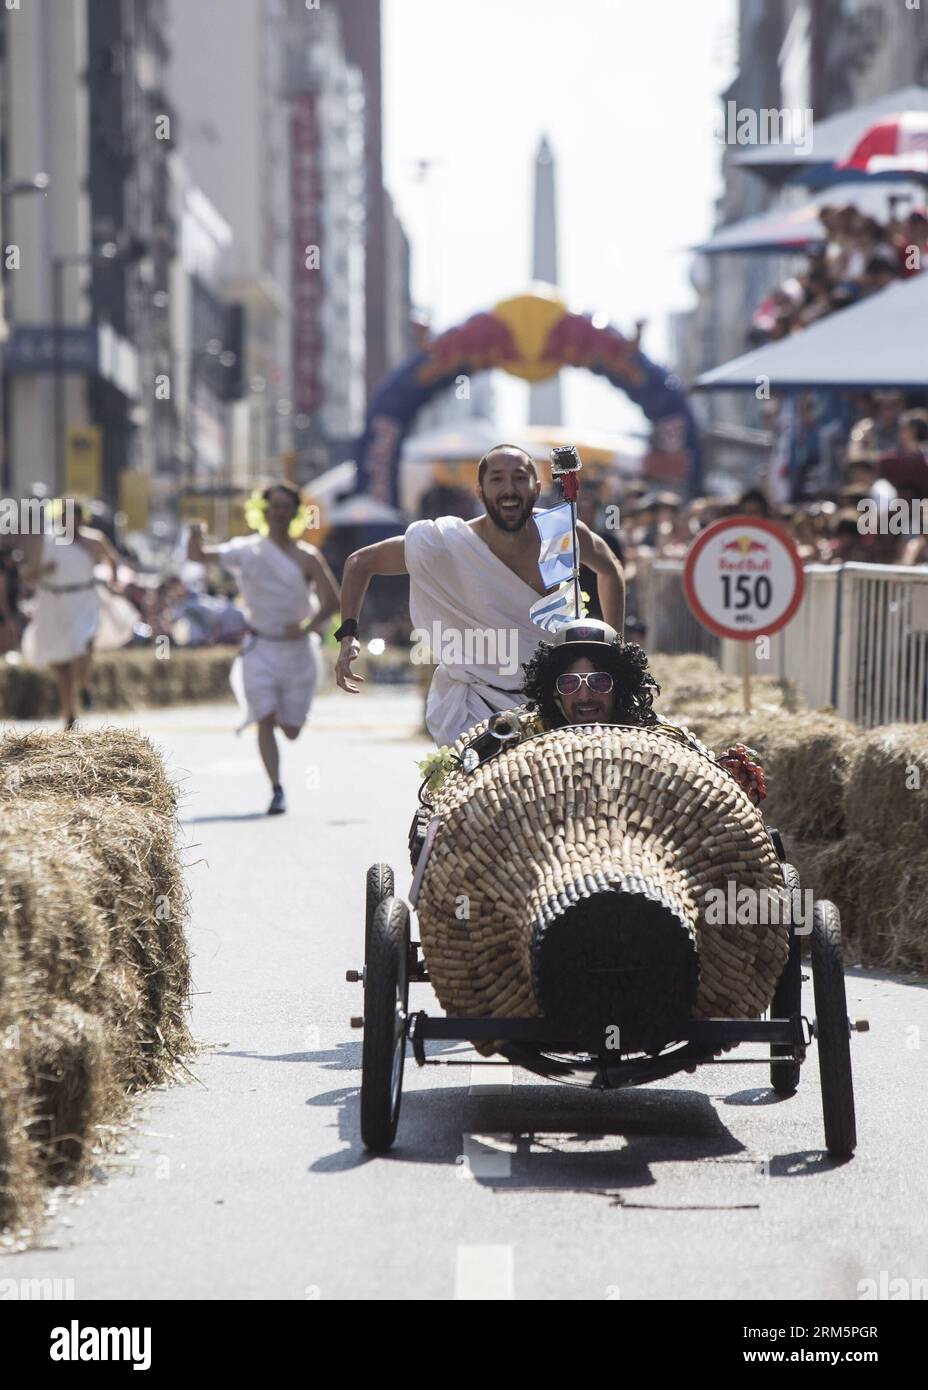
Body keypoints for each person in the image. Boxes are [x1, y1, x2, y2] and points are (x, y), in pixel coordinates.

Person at [335, 444, 626, 746]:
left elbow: (611, 570)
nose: (509, 489)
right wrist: (348, 637)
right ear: (480, 491)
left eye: (519, 478)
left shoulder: (560, 534)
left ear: (536, 488)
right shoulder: (447, 544)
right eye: (497, 479)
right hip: (474, 707)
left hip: (553, 704)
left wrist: (615, 647)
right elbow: (360, 563)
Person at [188, 482, 340, 815]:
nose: (280, 512)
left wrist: (306, 627)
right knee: (265, 717)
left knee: (292, 729)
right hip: (260, 648)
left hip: (297, 652)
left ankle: (283, 762)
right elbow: (198, 556)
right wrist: (195, 532)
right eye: (275, 506)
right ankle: (276, 789)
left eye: (287, 506)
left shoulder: (307, 557)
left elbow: (332, 602)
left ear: (295, 514)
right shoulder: (247, 550)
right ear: (264, 511)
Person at [518, 619, 766, 804]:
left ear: (621, 687)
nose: (584, 696)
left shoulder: (662, 739)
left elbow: (709, 789)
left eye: (600, 682)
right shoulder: (526, 737)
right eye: (570, 683)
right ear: (554, 690)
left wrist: (732, 780)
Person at [21, 500, 136, 729]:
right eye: (66, 516)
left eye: (75, 516)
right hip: (52, 602)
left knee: (84, 641)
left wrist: (114, 580)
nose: (71, 521)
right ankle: (69, 713)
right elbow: (29, 575)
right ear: (60, 518)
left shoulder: (94, 540)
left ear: (82, 518)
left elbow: (112, 559)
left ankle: (84, 685)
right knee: (61, 664)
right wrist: (45, 570)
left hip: (83, 598)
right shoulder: (45, 541)